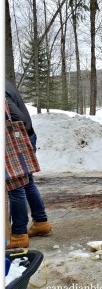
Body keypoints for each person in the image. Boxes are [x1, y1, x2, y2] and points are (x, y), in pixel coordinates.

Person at [5, 79, 52, 248]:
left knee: (15, 187)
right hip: (25, 137)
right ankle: (41, 222)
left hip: (13, 142)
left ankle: (18, 234)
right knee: (26, 182)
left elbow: (17, 118)